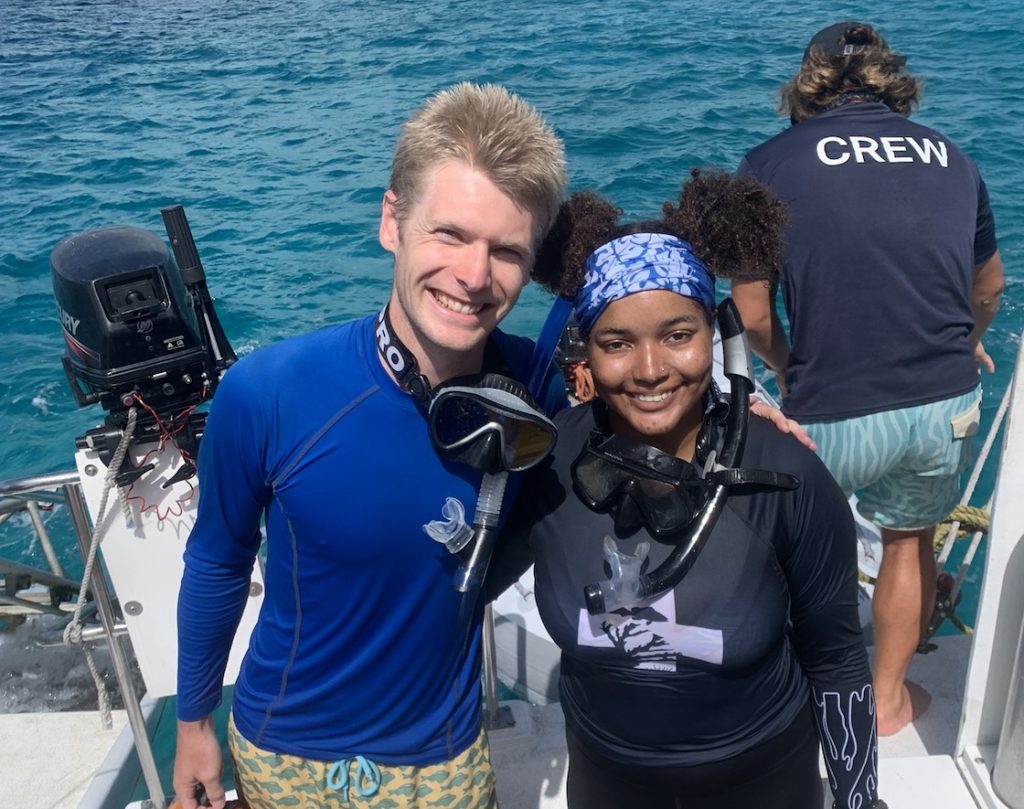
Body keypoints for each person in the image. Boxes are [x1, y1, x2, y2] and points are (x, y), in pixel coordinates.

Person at [171, 82, 569, 809]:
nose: (474, 277)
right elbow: (217, 559)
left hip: (444, 759)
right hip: (285, 752)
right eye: (448, 234)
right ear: (392, 220)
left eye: (507, 250)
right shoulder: (267, 392)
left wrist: (754, 412)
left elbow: (645, 355)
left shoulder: (535, 384)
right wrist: (194, 721)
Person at [486, 170, 883, 809]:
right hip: (605, 779)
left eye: (678, 335)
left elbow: (837, 665)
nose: (650, 371)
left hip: (765, 779)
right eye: (617, 343)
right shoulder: (547, 466)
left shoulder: (789, 478)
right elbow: (447, 596)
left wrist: (860, 801)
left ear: (713, 335)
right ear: (584, 352)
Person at [731, 21, 1005, 735]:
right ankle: (884, 704)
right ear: (892, 80)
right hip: (944, 403)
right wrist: (968, 344)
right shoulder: (956, 158)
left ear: (807, 83)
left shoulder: (766, 163)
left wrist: (790, 368)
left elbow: (753, 313)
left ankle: (790, 706)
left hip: (832, 407)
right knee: (909, 540)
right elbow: (988, 291)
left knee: (786, 554)